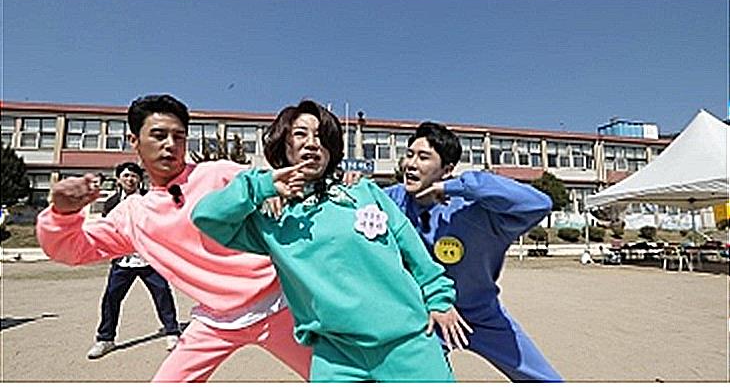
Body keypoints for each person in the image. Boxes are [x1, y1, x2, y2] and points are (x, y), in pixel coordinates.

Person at [191, 100, 472, 382]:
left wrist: (439, 299)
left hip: (408, 343)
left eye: (321, 136)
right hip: (336, 357)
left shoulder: (362, 191)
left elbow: (414, 252)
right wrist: (261, 186)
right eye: (300, 134)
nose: (313, 143)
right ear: (283, 144)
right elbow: (207, 217)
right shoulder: (271, 218)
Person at [35, 94, 311, 381]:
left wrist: (271, 191)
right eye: (158, 135)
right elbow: (74, 250)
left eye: (179, 137)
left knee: (334, 377)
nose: (170, 144)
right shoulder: (133, 215)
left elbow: (269, 182)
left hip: (279, 306)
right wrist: (62, 214)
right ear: (134, 141)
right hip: (214, 321)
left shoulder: (217, 174)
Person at [383, 122, 563, 382]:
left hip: (482, 315)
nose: (410, 164)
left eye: (423, 157)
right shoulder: (391, 202)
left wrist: (454, 187)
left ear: (447, 169)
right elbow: (350, 204)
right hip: (425, 319)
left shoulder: (475, 209)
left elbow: (540, 204)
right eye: (409, 154)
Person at [86, 162, 181, 359]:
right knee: (111, 298)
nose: (130, 179)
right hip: (123, 261)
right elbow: (109, 229)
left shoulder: (149, 199)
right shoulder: (111, 202)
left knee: (162, 294)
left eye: (134, 176)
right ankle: (105, 339)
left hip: (149, 259)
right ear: (119, 179)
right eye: (126, 176)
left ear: (140, 179)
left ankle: (172, 332)